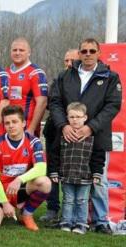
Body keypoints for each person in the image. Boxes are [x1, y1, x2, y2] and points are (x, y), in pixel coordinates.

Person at [49, 38, 122, 234]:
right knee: (68, 181)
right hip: (68, 136)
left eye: (92, 50)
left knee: (99, 181)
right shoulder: (65, 76)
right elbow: (54, 102)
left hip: (96, 136)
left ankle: (100, 221)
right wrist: (63, 125)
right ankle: (68, 219)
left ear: (99, 53)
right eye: (84, 51)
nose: (88, 54)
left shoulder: (110, 77)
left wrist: (90, 127)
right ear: (79, 54)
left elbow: (112, 106)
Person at [0, 105, 51, 231]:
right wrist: (5, 202)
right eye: (7, 123)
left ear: (23, 123)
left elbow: (41, 169)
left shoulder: (34, 142)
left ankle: (26, 214)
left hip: (20, 188)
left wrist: (19, 180)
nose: (11, 126)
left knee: (45, 182)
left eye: (14, 122)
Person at [40, 48, 81, 223]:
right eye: (66, 60)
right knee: (53, 170)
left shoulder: (83, 81)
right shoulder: (59, 79)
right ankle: (52, 208)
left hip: (78, 133)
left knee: (74, 171)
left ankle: (71, 211)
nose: (69, 63)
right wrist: (63, 123)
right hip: (55, 131)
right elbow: (52, 103)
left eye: (72, 60)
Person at [50, 102, 104, 234]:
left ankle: (81, 224)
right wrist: (54, 171)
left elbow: (98, 155)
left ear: (85, 117)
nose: (75, 120)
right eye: (72, 117)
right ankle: (66, 222)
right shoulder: (62, 135)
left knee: (82, 200)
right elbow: (54, 154)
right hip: (67, 174)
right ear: (67, 118)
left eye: (78, 117)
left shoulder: (92, 136)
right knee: (68, 200)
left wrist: (97, 173)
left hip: (85, 176)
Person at [6, 38, 48, 136]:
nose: (17, 53)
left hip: (26, 129)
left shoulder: (36, 73)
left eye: (21, 50)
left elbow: (42, 103)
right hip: (8, 127)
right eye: (14, 50)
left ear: (29, 52)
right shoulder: (6, 72)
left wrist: (31, 128)